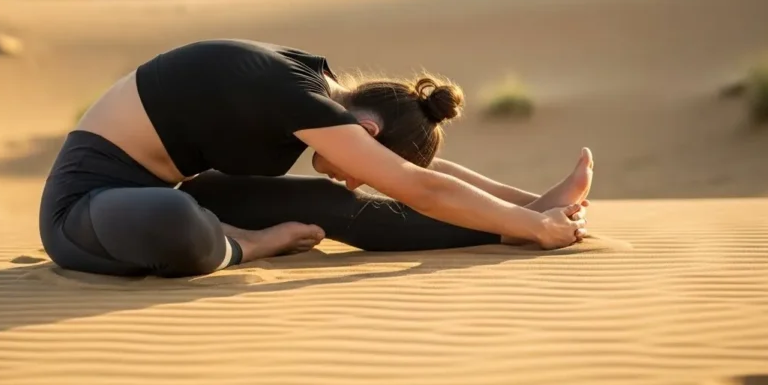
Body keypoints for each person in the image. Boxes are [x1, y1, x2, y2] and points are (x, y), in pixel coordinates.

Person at [39, 39, 593, 278]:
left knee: (332, 204)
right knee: (175, 220)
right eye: (368, 163)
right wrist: (535, 225)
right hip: (88, 212)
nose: (361, 178)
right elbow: (418, 188)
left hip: (183, 190)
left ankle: (501, 234)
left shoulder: (318, 95)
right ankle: (246, 244)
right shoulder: (293, 94)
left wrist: (531, 209)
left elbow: (420, 178)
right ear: (366, 129)